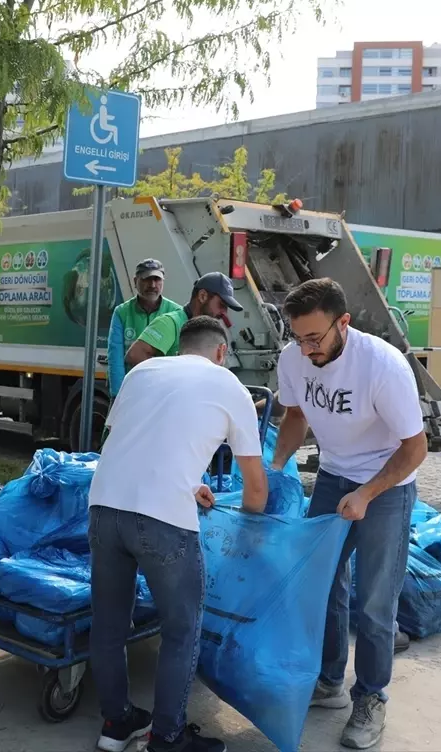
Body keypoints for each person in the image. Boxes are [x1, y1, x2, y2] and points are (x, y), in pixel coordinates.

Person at [89, 316, 269, 752]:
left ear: (179, 345)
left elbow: (138, 441)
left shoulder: (141, 372)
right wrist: (246, 535)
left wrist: (189, 484)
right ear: (221, 352)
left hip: (103, 506)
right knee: (181, 629)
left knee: (109, 625)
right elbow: (257, 488)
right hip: (163, 521)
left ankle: (116, 725)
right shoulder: (231, 386)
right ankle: (167, 738)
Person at [271, 278, 428, 750]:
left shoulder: (382, 366)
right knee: (322, 586)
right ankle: (328, 680)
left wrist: (368, 493)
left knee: (375, 602)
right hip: (333, 477)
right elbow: (295, 414)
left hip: (387, 485)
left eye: (314, 338)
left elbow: (415, 447)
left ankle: (371, 697)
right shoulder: (293, 357)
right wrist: (276, 467)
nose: (306, 349)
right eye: (298, 338)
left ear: (344, 323)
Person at [124, 272, 243, 367]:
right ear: (202, 296)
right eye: (221, 305)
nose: (224, 313)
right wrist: (172, 380)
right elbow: (135, 355)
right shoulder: (170, 323)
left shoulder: (207, 332)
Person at [107, 259, 183, 397]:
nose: (152, 285)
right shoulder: (122, 312)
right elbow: (115, 357)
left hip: (164, 391)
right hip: (132, 389)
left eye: (157, 280)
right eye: (147, 279)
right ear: (135, 281)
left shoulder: (176, 312)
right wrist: (117, 394)